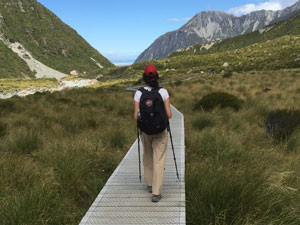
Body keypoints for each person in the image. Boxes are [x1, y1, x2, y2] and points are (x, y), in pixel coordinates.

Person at [134, 64, 172, 202]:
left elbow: (135, 115)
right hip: (161, 131)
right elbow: (169, 114)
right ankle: (156, 193)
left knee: (147, 156)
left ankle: (149, 184)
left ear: (144, 78)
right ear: (157, 77)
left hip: (145, 131)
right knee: (159, 160)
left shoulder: (139, 93)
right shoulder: (163, 92)